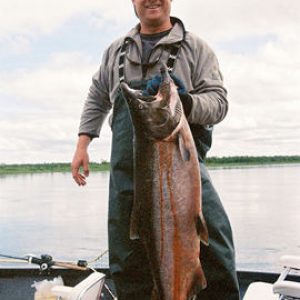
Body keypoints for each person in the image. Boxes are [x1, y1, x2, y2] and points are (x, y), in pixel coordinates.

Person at [71, 0, 240, 299]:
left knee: (216, 248)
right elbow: (98, 96)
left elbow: (219, 102)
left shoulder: (196, 48)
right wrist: (83, 142)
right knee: (127, 258)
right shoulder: (115, 51)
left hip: (184, 170)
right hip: (127, 179)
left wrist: (187, 103)